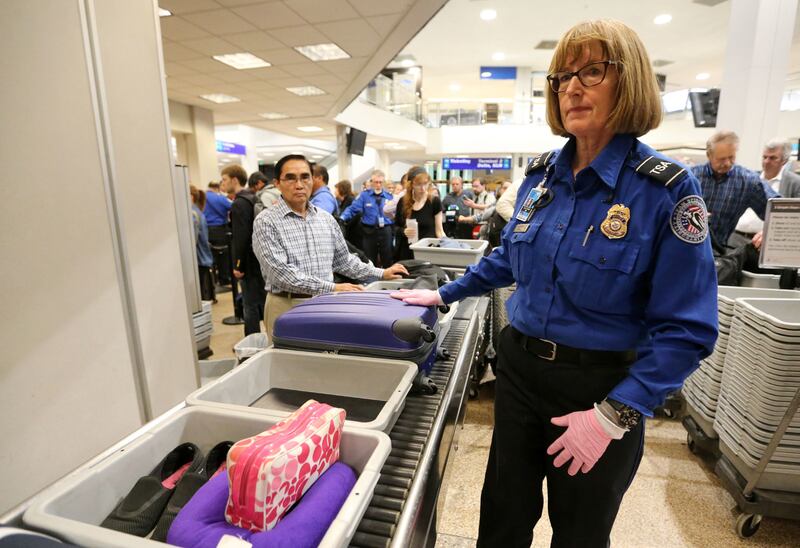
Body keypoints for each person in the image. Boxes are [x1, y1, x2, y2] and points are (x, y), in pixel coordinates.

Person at [392, 19, 717, 547]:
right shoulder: (540, 177)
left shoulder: (666, 190)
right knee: (501, 520)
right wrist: (444, 293)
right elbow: (509, 259)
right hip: (519, 375)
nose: (571, 87)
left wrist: (615, 415)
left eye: (592, 71)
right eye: (562, 76)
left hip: (599, 389)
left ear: (629, 80)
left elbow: (689, 329)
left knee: (581, 534)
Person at [252, 155, 408, 338]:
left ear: (313, 180)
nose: (299, 184)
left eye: (305, 177)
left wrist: (381, 273)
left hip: (325, 304)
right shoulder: (266, 222)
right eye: (290, 178)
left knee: (323, 360)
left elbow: (344, 261)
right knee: (288, 364)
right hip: (287, 305)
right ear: (277, 183)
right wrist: (333, 288)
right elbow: (282, 275)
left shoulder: (325, 219)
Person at [691, 131, 777, 253]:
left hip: (717, 254)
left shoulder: (748, 181)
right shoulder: (691, 177)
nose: (727, 163)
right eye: (721, 159)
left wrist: (769, 231)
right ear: (709, 155)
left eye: (731, 157)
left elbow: (777, 209)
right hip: (685, 248)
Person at [734, 138, 800, 249]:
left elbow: (795, 218)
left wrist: (771, 234)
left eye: (773, 158)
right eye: (765, 157)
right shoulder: (750, 178)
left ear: (784, 160)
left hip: (765, 244)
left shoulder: (795, 183)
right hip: (736, 237)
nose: (766, 161)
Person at [225, 166, 265, 336]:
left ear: (235, 180)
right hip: (258, 258)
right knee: (261, 300)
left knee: (249, 305)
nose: (223, 183)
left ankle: (252, 343)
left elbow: (240, 238)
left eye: (225, 179)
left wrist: (238, 265)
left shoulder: (239, 203)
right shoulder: (252, 198)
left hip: (247, 262)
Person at [339, 170, 395, 267]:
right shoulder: (365, 196)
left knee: (387, 258)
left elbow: (396, 213)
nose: (378, 184)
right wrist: (342, 218)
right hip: (369, 232)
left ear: (383, 182)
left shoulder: (389, 197)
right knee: (369, 259)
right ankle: (371, 281)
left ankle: (388, 279)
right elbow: (353, 209)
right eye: (375, 182)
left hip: (385, 231)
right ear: (371, 182)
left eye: (380, 182)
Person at [393, 166, 445, 260]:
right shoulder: (402, 202)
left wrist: (447, 246)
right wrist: (403, 231)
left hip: (427, 252)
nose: (423, 188)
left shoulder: (434, 201)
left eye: (425, 184)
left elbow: (439, 231)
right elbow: (395, 227)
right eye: (418, 184)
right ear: (411, 184)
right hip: (407, 253)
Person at [204, 176, 233, 286]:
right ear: (218, 187)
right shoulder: (220, 198)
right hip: (219, 230)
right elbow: (233, 207)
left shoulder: (203, 196)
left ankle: (213, 281)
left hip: (207, 230)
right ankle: (224, 279)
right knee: (223, 256)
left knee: (212, 255)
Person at [189, 184, 215, 302]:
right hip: (202, 258)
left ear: (191, 197)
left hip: (199, 259)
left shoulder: (192, 214)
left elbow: (192, 242)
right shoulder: (197, 212)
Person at [334, 179, 362, 249]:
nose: (334, 192)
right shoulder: (342, 201)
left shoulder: (350, 200)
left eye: (336, 189)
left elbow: (350, 217)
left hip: (353, 236)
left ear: (341, 189)